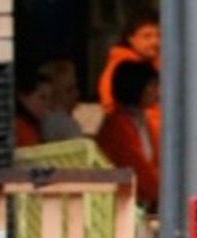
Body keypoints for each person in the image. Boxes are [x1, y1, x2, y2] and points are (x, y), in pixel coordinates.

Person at [96, 60, 160, 210]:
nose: (156, 91)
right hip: (119, 204)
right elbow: (138, 169)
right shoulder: (118, 125)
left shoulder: (140, 119)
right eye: (151, 85)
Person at [98, 6, 161, 149]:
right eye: (147, 36)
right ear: (131, 38)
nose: (155, 42)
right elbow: (111, 106)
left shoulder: (156, 63)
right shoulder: (122, 67)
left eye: (159, 35)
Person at [38, 59, 84, 142]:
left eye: (75, 87)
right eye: (69, 90)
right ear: (52, 95)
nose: (76, 94)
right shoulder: (65, 126)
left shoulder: (36, 122)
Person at [15, 70, 53, 148]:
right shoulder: (18, 129)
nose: (48, 104)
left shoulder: (36, 126)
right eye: (42, 98)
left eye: (50, 98)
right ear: (24, 98)